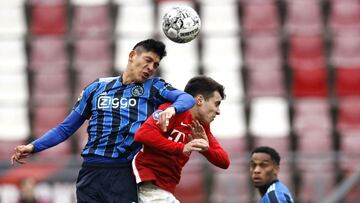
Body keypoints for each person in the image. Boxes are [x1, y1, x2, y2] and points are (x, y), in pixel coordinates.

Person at [11, 39, 196, 203]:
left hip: (123, 172)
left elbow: (187, 99)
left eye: (155, 65)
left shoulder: (154, 87)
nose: (150, 68)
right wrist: (33, 147)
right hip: (90, 172)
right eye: (148, 60)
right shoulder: (97, 87)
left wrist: (172, 108)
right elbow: (65, 128)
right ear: (132, 55)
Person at [132, 75, 230, 203]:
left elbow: (224, 161)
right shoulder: (172, 110)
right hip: (148, 182)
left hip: (165, 188)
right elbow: (143, 134)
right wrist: (182, 148)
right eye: (216, 104)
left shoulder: (201, 127)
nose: (218, 111)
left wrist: (206, 149)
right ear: (199, 100)